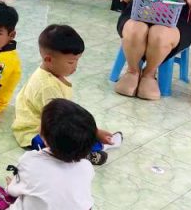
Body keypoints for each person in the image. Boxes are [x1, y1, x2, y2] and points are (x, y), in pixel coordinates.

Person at [12, 24, 121, 166]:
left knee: (79, 133)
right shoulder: (48, 87)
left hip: (45, 127)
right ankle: (90, 151)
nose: (75, 66)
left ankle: (88, 150)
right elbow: (60, 122)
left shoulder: (51, 74)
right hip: (33, 133)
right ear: (48, 59)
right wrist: (94, 132)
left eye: (77, 60)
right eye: (71, 62)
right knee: (75, 139)